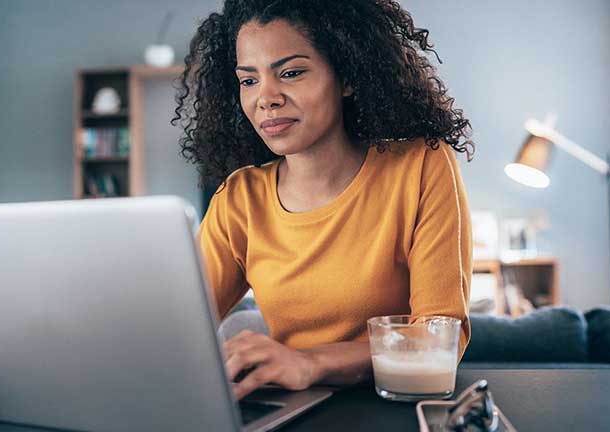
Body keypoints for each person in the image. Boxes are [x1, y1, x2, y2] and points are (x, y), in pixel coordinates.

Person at [173, 0, 474, 400]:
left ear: (346, 76)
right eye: (248, 81)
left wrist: (309, 362)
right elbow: (175, 332)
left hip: (397, 405)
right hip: (290, 408)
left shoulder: (421, 166)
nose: (266, 98)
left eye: (291, 73)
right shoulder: (239, 200)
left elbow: (439, 339)